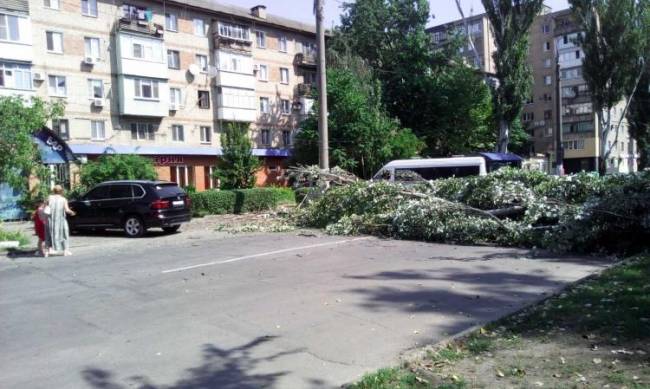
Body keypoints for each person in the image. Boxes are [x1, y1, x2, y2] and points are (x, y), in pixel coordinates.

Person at [47, 185, 75, 256]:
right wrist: (72, 212)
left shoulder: (49, 198)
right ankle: (66, 250)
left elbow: (46, 207)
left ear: (54, 191)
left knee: (51, 233)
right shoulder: (63, 199)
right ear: (61, 191)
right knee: (64, 233)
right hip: (61, 221)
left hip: (51, 220)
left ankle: (51, 249)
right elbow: (67, 210)